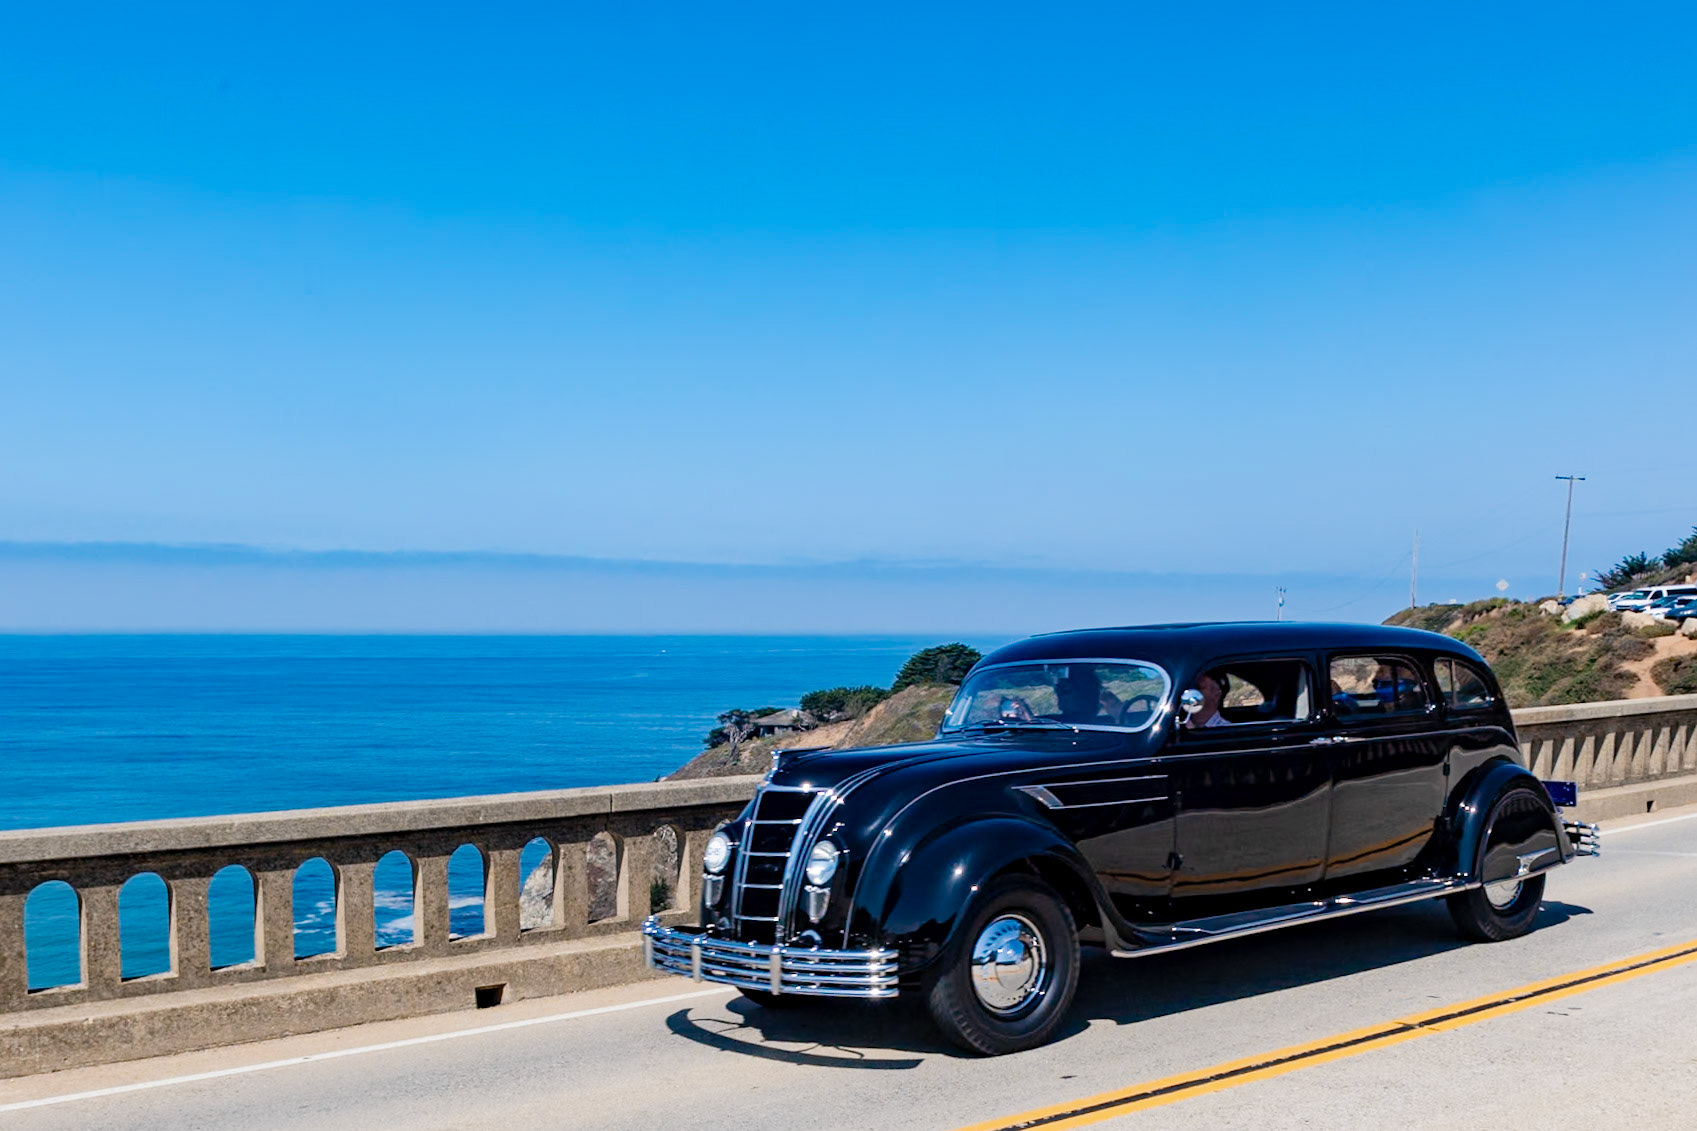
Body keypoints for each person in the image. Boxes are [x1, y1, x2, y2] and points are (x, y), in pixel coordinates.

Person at [1053, 667, 1118, 725]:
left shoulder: (1108, 725)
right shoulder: (1048, 725)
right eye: (1058, 688)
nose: (1059, 693)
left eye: (1065, 689)